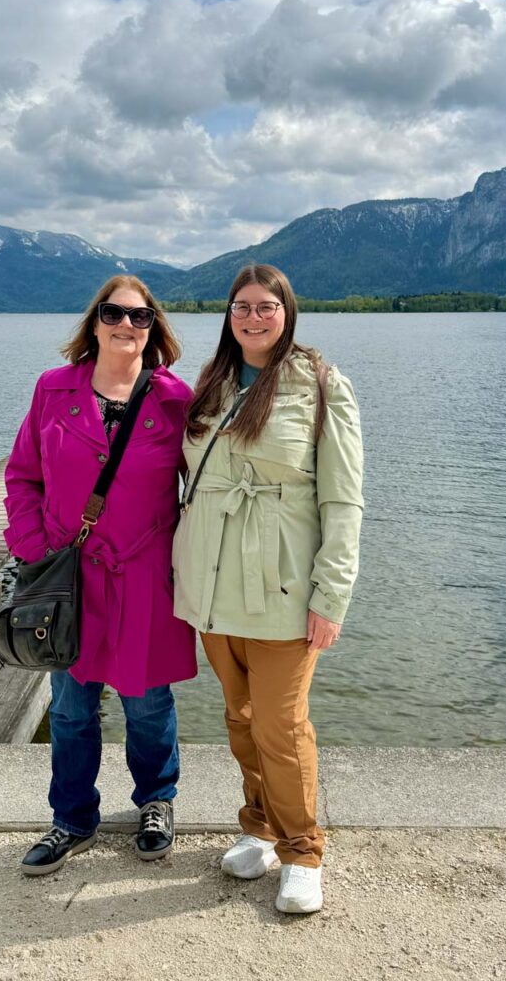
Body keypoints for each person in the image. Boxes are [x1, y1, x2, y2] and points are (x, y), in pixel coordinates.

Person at [172, 263, 363, 914]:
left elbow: (343, 504)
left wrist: (330, 597)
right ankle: (258, 826)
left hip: (282, 588)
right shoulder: (213, 384)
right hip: (214, 585)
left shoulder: (323, 386)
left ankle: (303, 850)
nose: (253, 318)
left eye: (266, 307)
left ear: (288, 313)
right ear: (229, 316)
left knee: (282, 724)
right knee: (241, 719)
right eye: (242, 307)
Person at [3, 275, 197, 876]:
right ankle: (71, 818)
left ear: (153, 328)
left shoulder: (175, 399)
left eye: (139, 317)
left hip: (143, 576)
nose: (125, 325)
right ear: (94, 322)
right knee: (70, 704)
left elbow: (211, 484)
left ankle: (156, 803)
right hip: (71, 576)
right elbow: (22, 475)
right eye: (113, 313)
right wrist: (36, 550)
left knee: (146, 702)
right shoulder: (53, 389)